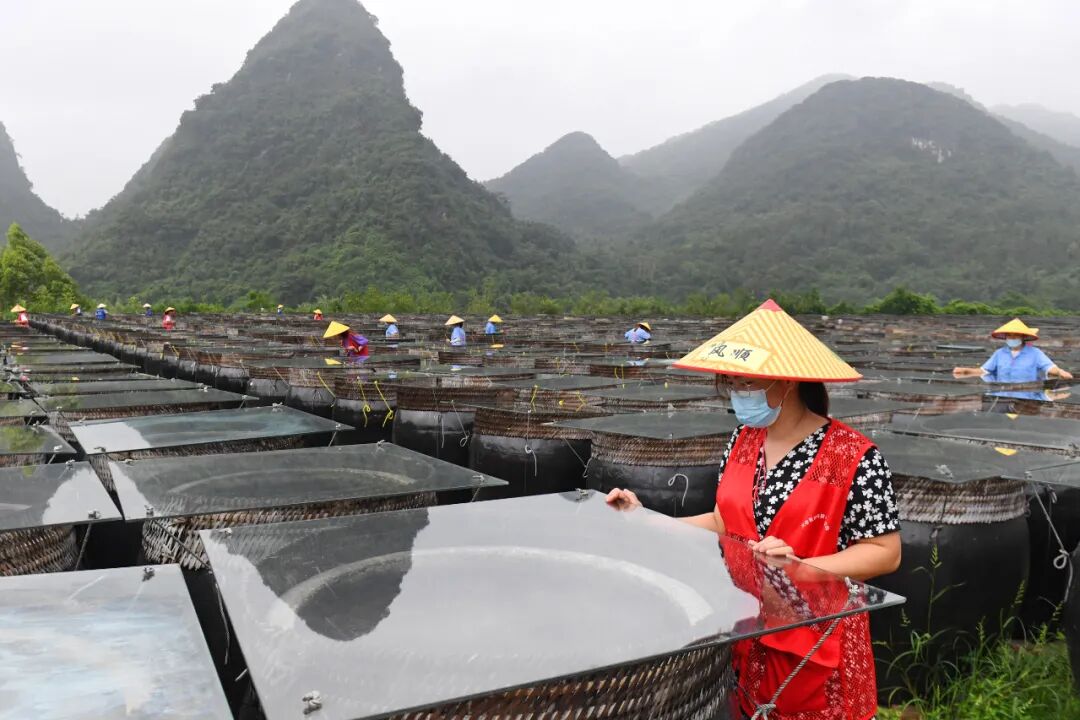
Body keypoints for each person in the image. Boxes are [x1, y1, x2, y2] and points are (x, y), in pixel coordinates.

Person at [606, 299, 901, 720]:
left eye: (747, 382)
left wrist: (804, 567)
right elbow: (724, 520)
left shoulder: (853, 456)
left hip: (816, 641)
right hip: (749, 624)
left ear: (788, 381)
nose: (739, 394)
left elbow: (885, 552)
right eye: (731, 384)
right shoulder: (743, 440)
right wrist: (647, 519)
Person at [953, 318, 1073, 382]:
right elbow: (984, 371)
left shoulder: (1035, 353)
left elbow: (1049, 367)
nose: (1012, 338)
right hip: (1003, 394)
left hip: (1027, 395)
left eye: (1016, 335)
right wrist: (965, 371)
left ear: (1023, 337)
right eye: (1009, 335)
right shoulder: (999, 353)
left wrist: (1060, 372)